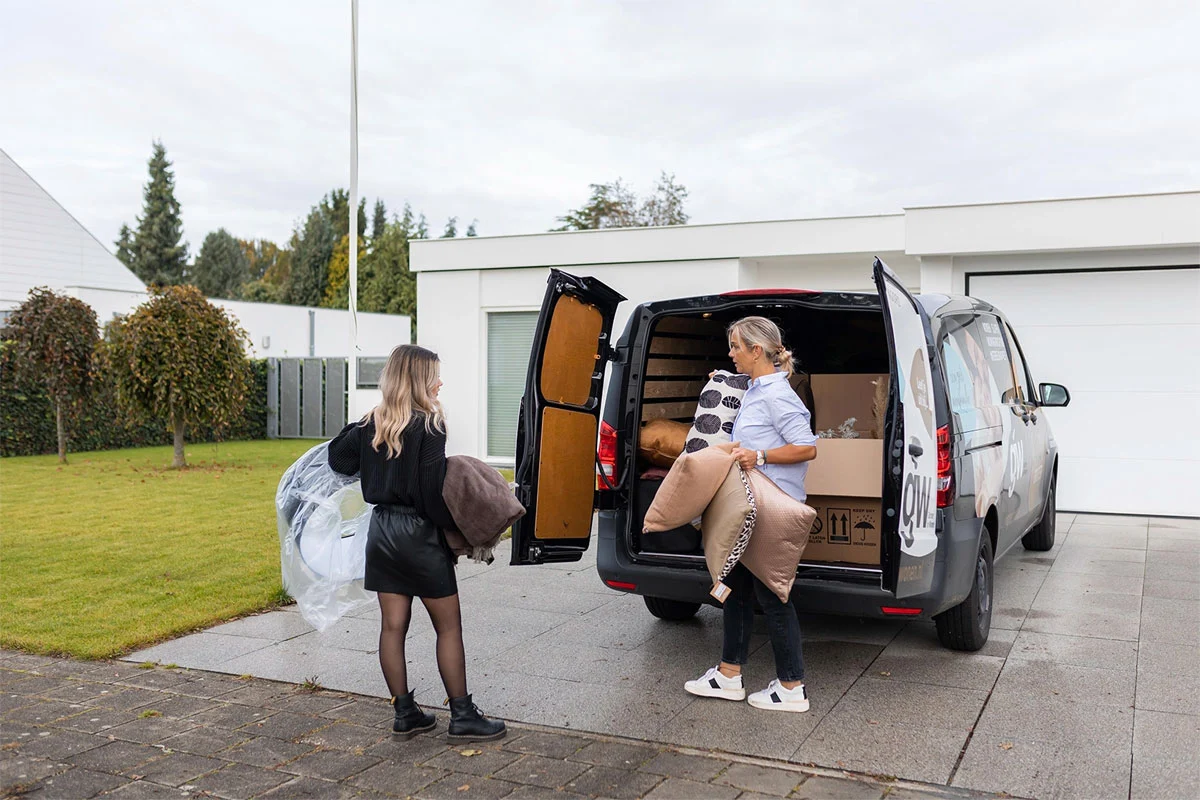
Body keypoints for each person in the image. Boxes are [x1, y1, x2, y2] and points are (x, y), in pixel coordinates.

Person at [328, 344, 505, 740]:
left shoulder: (373, 424)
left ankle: (405, 714)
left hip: (382, 534)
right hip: (419, 534)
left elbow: (337, 460)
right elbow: (430, 495)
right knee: (448, 628)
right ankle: (462, 717)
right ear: (418, 380)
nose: (439, 383)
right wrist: (457, 534)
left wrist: (363, 421)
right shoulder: (429, 426)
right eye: (433, 376)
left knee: (392, 627)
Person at [684, 316, 818, 712]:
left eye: (736, 348)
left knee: (772, 595)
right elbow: (746, 380)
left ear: (757, 351)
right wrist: (723, 376)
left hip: (771, 507)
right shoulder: (759, 388)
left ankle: (792, 687)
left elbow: (807, 447)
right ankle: (729, 675)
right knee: (738, 589)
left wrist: (757, 455)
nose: (731, 353)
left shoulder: (779, 396)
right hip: (752, 506)